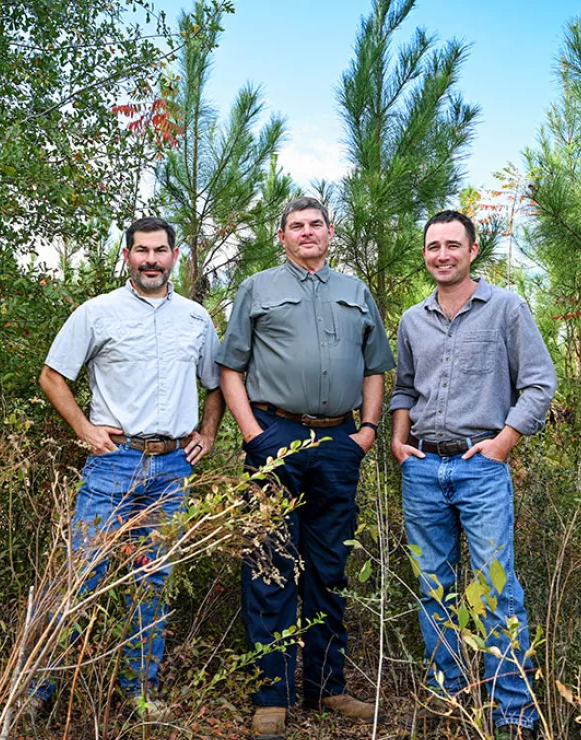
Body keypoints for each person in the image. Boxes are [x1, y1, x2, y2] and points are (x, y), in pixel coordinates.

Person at [217, 196, 395, 739]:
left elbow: (375, 368)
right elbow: (231, 368)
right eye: (296, 226)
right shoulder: (258, 289)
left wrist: (365, 432)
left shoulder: (355, 292)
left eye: (316, 224)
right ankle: (271, 696)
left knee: (329, 567)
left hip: (339, 443)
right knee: (270, 563)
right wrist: (254, 434)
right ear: (282, 236)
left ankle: (327, 688)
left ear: (330, 231)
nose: (307, 232)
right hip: (277, 435)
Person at [34, 216, 225, 720]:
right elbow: (53, 377)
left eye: (160, 251)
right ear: (127, 257)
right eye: (141, 251)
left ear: (174, 256)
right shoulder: (98, 314)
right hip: (113, 465)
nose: (151, 260)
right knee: (79, 575)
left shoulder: (195, 319)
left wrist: (206, 433)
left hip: (172, 470)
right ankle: (34, 693)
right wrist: (84, 429)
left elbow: (215, 384)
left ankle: (139, 691)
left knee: (152, 581)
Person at [388, 210, 556, 739]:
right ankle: (450, 699)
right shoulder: (413, 320)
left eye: (453, 245)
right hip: (421, 468)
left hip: (479, 468)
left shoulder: (506, 308)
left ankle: (513, 714)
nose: (443, 254)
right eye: (433, 246)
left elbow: (539, 383)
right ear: (425, 254)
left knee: (494, 586)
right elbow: (405, 388)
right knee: (433, 588)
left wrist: (503, 444)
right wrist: (398, 439)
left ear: (473, 249)